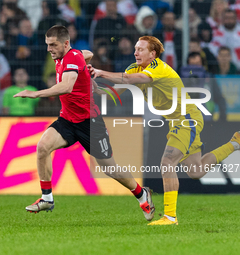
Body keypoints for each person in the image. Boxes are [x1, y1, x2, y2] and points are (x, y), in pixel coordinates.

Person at [87, 35, 240, 225]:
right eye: (135, 48)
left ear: (153, 54)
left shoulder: (158, 67)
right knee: (196, 170)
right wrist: (95, 88)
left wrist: (100, 72)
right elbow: (114, 93)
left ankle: (170, 217)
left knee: (167, 162)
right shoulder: (133, 69)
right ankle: (235, 143)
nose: (135, 52)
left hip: (187, 118)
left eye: (141, 49)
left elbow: (132, 78)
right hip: (175, 121)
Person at [14, 25, 155, 221]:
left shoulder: (71, 58)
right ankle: (47, 198)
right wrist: (85, 64)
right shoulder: (68, 56)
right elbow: (87, 53)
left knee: (109, 168)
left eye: (53, 45)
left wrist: (36, 93)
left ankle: (141, 194)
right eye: (47, 45)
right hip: (67, 119)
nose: (49, 49)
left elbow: (67, 86)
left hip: (90, 123)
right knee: (43, 147)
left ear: (65, 43)